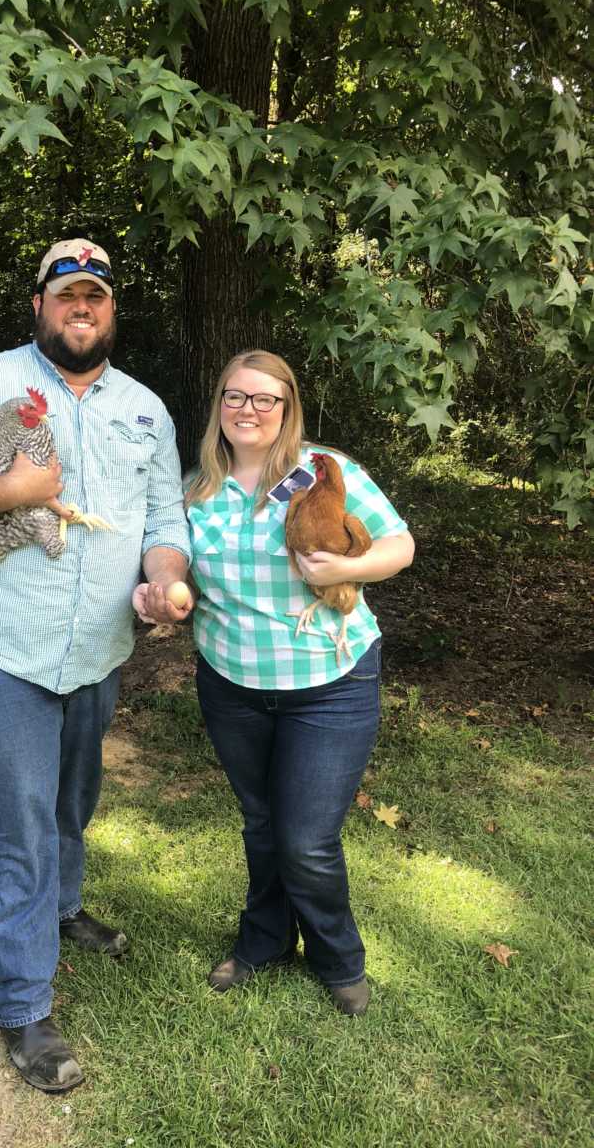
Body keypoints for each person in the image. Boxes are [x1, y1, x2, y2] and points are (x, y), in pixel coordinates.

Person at [0, 238, 192, 1093]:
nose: (82, 307)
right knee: (22, 822)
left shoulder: (145, 408)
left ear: (112, 310)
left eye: (96, 296)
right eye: (67, 293)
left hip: (101, 648)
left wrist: (164, 584)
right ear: (40, 305)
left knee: (73, 799)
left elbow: (164, 519)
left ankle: (63, 913)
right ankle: (24, 1004)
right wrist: (15, 491)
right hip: (6, 645)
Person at [184, 350, 414, 1015]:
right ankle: (264, 941)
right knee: (261, 823)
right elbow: (177, 564)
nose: (248, 411)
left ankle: (338, 956)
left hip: (329, 680)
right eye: (235, 396)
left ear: (287, 408)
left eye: (264, 400)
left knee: (306, 840)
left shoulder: (323, 471)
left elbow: (399, 544)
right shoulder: (198, 486)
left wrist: (352, 565)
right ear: (218, 405)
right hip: (231, 680)